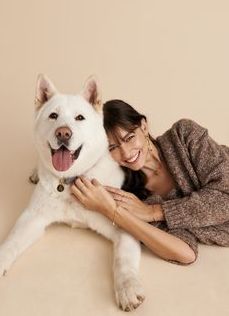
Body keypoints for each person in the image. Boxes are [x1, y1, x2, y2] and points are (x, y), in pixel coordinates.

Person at [70, 99, 229, 264]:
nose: (125, 153)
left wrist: (153, 211)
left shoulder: (183, 135)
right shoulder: (134, 196)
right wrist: (113, 212)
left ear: (144, 127)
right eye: (112, 148)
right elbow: (185, 253)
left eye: (129, 137)